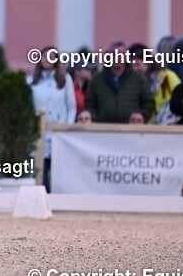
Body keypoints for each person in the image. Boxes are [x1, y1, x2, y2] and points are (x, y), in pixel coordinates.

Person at [29, 46, 76, 188]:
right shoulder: (32, 81)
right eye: (44, 57)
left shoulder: (65, 80)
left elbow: (71, 106)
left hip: (58, 132)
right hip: (39, 133)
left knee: (57, 172)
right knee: (40, 171)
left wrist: (66, 126)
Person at [85, 42, 153, 123]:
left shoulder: (139, 79)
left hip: (131, 130)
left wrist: (141, 115)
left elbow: (148, 103)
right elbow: (89, 104)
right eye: (113, 54)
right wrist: (92, 117)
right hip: (103, 130)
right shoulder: (97, 79)